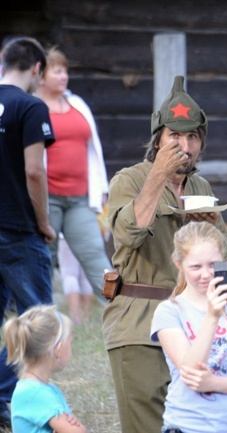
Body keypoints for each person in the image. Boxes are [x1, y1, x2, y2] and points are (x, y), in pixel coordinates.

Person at [104, 75, 227, 433]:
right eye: (175, 135)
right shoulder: (129, 180)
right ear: (158, 138)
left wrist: (209, 232)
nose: (185, 146)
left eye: (192, 137)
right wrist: (158, 176)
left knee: (197, 423)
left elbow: (225, 260)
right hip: (140, 323)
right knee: (147, 425)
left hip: (193, 322)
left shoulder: (200, 186)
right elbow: (127, 234)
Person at [151, 222, 227, 433]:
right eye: (195, 267)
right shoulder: (169, 312)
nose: (206, 274)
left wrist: (213, 382)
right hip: (188, 426)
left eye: (213, 264)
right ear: (179, 264)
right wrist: (213, 316)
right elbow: (191, 371)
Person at [0, 37, 56, 427]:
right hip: (19, 230)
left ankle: (3, 403)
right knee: (37, 319)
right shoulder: (31, 106)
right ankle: (37, 406)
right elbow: (35, 171)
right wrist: (44, 222)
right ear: (37, 69)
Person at [34, 46, 112, 302]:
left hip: (80, 199)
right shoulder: (31, 106)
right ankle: (41, 319)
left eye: (65, 71)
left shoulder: (77, 103)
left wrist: (101, 190)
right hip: (47, 200)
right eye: (57, 71)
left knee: (96, 255)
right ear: (41, 75)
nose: (64, 76)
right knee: (44, 258)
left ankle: (121, 311)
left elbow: (95, 150)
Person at [3, 305, 87, 432]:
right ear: (58, 350)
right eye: (70, 342)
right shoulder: (34, 393)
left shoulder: (43, 390)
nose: (72, 347)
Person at [58, 235, 94, 324]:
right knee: (85, 276)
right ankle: (84, 317)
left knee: (70, 274)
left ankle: (76, 318)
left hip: (66, 235)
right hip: (89, 234)